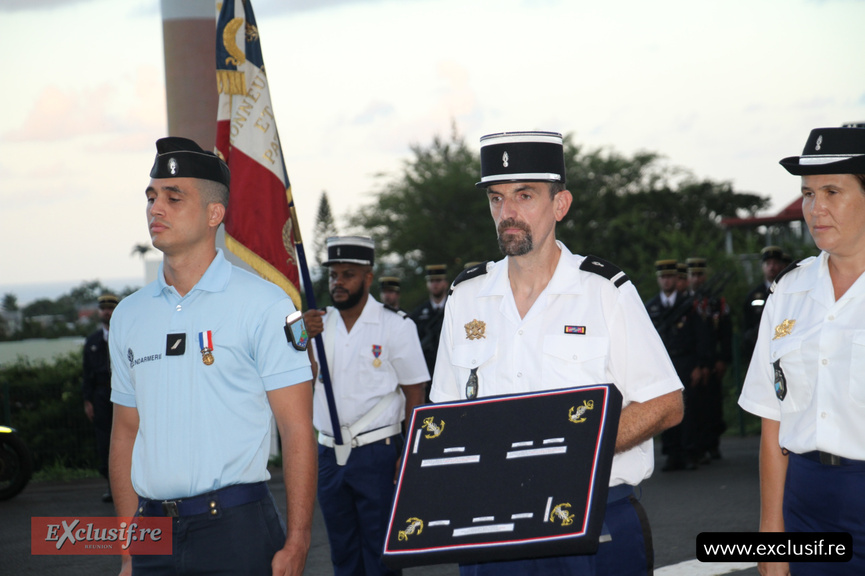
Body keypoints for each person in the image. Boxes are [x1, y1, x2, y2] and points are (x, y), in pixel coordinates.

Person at [430, 131, 684, 576]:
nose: (507, 212)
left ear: (560, 205)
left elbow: (665, 403)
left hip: (591, 518)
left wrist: (572, 452)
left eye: (524, 195)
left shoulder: (604, 292)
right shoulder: (466, 297)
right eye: (496, 198)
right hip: (493, 525)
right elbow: (446, 415)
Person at [108, 137, 316, 576]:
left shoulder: (265, 305)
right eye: (151, 196)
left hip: (236, 530)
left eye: (173, 197)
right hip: (152, 533)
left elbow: (297, 428)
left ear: (214, 214)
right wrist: (128, 551)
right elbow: (125, 433)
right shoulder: (129, 315)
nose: (155, 208)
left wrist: (298, 540)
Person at [738, 125, 865, 575]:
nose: (816, 208)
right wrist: (771, 533)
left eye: (832, 191)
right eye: (808, 194)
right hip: (807, 502)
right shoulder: (788, 292)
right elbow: (772, 419)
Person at [303, 236, 429, 576]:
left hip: (378, 452)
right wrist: (303, 339)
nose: (338, 283)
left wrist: (409, 452)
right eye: (334, 275)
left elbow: (415, 391)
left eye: (348, 275)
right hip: (330, 454)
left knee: (381, 554)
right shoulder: (318, 324)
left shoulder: (395, 325)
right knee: (342, 553)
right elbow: (304, 380)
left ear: (368, 277)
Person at [645, 259, 711, 471]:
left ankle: (689, 452)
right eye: (662, 277)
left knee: (687, 408)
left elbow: (701, 336)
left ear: (676, 278)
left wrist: (700, 364)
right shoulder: (651, 306)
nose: (666, 281)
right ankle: (672, 453)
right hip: (663, 364)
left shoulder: (689, 305)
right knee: (664, 407)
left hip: (686, 361)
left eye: (670, 277)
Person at [687, 257, 732, 463]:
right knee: (695, 406)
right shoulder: (684, 303)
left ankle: (712, 444)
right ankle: (697, 446)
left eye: (700, 275)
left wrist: (722, 358)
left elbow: (725, 333)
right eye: (693, 275)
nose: (697, 279)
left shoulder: (716, 303)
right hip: (692, 360)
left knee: (713, 405)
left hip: (713, 360)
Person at [82, 292, 119, 503]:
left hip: (123, 393)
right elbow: (86, 373)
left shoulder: (125, 336)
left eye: (111, 308)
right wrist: (88, 400)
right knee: (104, 442)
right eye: (104, 308)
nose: (107, 312)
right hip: (102, 395)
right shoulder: (92, 341)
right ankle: (112, 486)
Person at [409, 263, 448, 400]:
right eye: (431, 281)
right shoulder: (418, 313)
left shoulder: (454, 307)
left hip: (449, 369)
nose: (435, 284)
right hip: (427, 372)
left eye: (438, 280)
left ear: (445, 283)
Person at [741, 246, 786, 363]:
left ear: (782, 266)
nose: (772, 267)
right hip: (760, 351)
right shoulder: (754, 295)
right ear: (763, 267)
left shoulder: (789, 291)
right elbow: (746, 326)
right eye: (768, 263)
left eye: (775, 263)